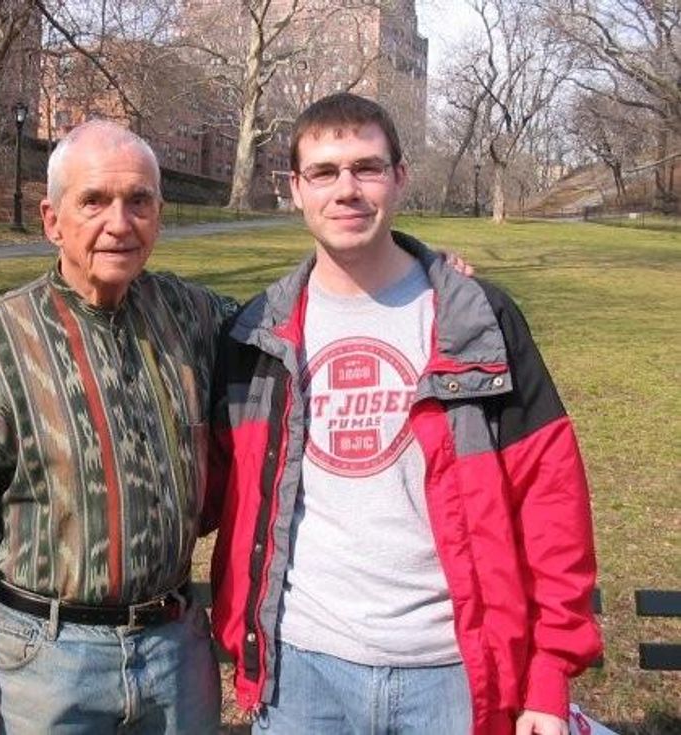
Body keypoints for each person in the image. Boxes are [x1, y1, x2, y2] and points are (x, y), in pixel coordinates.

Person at [207, 93, 602, 735]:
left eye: (367, 167)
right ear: (295, 189)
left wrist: (549, 677)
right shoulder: (256, 335)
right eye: (325, 172)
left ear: (399, 177)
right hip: (302, 672)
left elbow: (551, 502)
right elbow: (210, 490)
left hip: (452, 671)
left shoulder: (477, 321)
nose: (347, 190)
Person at [0, 120, 232, 734]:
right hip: (47, 661)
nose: (120, 223)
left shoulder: (194, 316)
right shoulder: (0, 337)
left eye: (140, 201)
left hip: (176, 655)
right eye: (94, 201)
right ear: (52, 220)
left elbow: (299, 322)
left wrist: (418, 271)